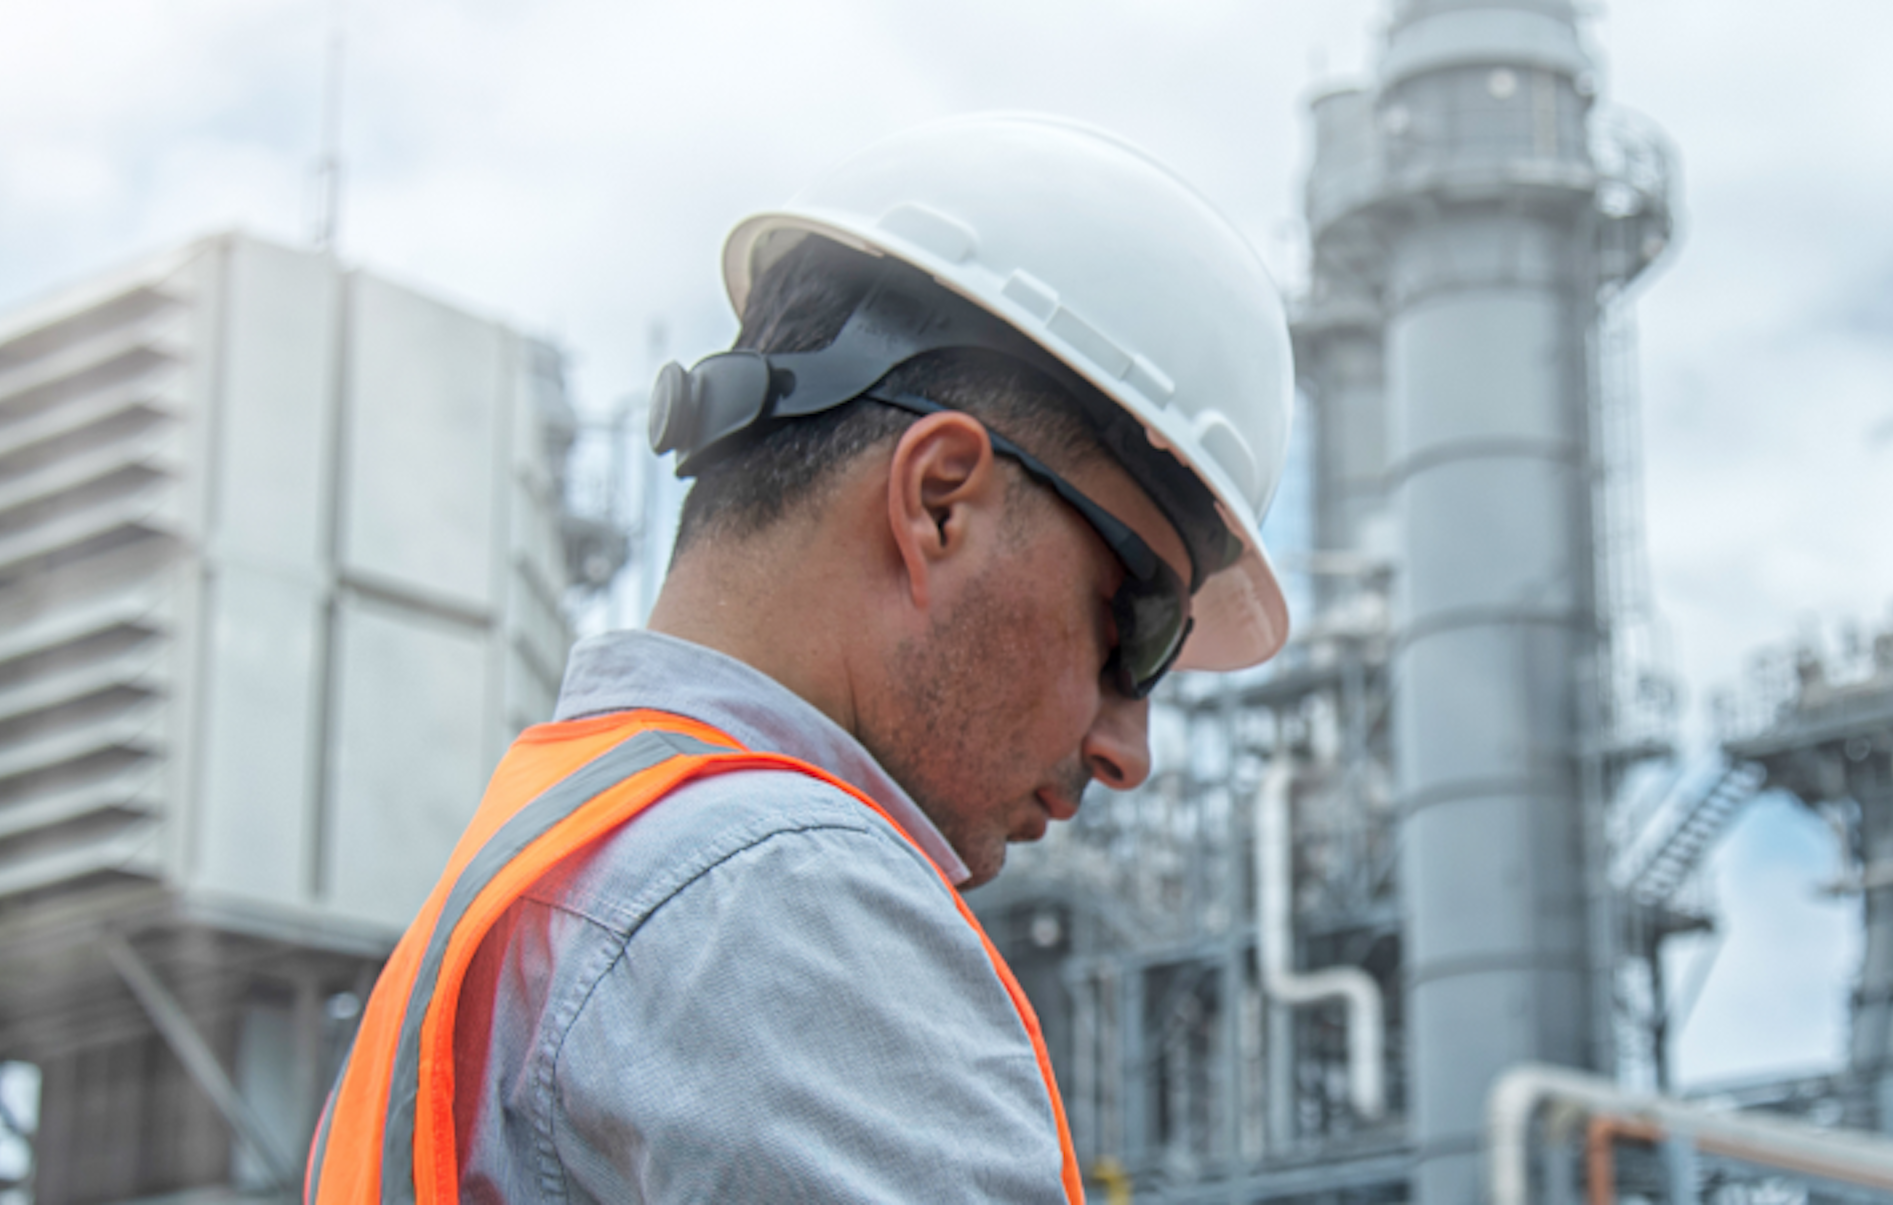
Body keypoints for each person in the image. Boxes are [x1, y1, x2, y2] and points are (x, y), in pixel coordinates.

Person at [305, 114, 1294, 1205]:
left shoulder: (548, 878)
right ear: (939, 503)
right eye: (1135, 633)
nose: (1128, 749)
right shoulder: (768, 891)